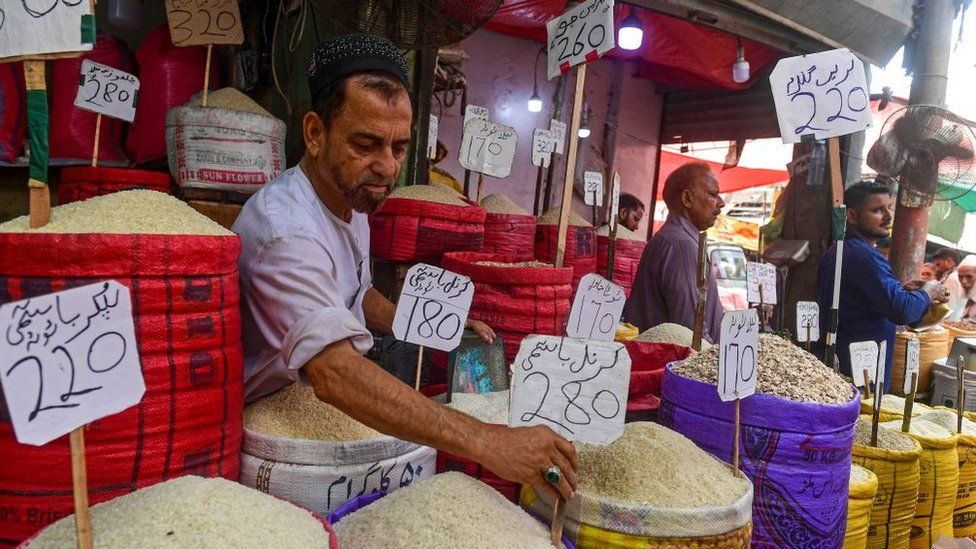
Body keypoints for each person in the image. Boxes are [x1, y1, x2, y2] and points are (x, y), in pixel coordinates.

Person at [233, 34, 577, 503]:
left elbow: (357, 294)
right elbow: (334, 373)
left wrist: (431, 325)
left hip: (308, 407)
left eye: (398, 147)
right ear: (315, 134)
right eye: (366, 144)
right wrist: (487, 440)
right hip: (271, 435)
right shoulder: (287, 231)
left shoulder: (351, 203)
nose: (386, 166)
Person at [816, 180, 947, 385]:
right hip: (856, 371)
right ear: (851, 215)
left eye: (889, 208)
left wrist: (903, 291)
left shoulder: (840, 250)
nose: (888, 216)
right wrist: (929, 291)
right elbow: (901, 310)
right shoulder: (863, 255)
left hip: (842, 361)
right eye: (878, 210)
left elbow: (860, 300)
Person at [624, 162, 725, 342]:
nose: (721, 203)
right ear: (687, 198)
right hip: (674, 364)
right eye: (713, 195)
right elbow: (692, 333)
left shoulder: (674, 239)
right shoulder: (682, 246)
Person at [949, 255, 976, 322]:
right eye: (960, 277)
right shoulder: (954, 280)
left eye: (969, 277)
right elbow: (949, 310)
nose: (963, 281)